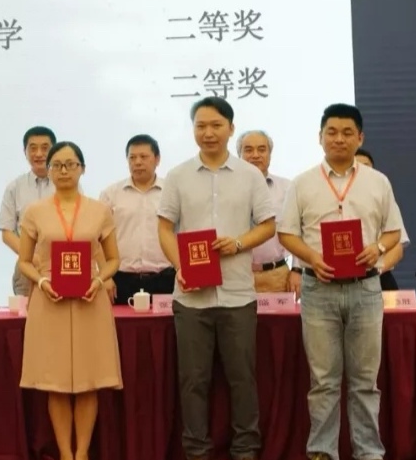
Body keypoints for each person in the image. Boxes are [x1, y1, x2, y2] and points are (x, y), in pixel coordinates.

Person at [278, 104, 404, 460]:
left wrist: (378, 248)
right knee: (323, 381)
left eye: (348, 132)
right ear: (320, 137)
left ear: (359, 138)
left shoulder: (377, 181)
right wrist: (311, 257)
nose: (339, 139)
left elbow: (394, 231)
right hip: (318, 289)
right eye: (331, 132)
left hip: (366, 288)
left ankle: (369, 453)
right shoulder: (302, 183)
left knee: (365, 381)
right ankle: (322, 452)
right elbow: (286, 233)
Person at [158, 98, 276, 460]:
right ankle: (196, 452)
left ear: (230, 128)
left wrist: (238, 243)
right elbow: (164, 228)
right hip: (191, 298)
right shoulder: (177, 176)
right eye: (200, 126)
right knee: (193, 381)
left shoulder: (250, 175)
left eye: (215, 125)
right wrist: (180, 266)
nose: (208, 133)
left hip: (238, 294)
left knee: (242, 379)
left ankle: (246, 450)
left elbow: (268, 225)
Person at [18, 141, 122, 460]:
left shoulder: (99, 210)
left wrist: (99, 280)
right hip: (50, 300)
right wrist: (41, 281)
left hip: (90, 299)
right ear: (48, 171)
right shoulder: (35, 211)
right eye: (57, 165)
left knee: (89, 380)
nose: (64, 171)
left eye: (70, 164)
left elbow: (113, 259)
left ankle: (83, 452)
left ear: (82, 169)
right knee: (57, 382)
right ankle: (66, 453)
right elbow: (24, 261)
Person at [98, 134, 174, 304]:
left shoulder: (171, 192)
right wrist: (104, 276)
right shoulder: (110, 194)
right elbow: (98, 239)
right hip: (121, 280)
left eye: (143, 157)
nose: (137, 162)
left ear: (157, 159)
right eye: (132, 158)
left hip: (165, 279)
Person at [0, 126, 56, 295]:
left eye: (45, 148)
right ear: (25, 152)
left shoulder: (67, 185)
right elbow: (7, 233)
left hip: (61, 265)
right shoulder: (15, 187)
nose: (39, 154)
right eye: (33, 148)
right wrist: (30, 256)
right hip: (26, 267)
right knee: (25, 312)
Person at [236, 129, 296, 294]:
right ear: (239, 155)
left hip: (277, 276)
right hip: (237, 277)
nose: (255, 155)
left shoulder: (287, 188)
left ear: (270, 154)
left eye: (261, 150)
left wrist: (297, 270)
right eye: (248, 150)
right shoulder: (226, 189)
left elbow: (299, 232)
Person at [353, 148, 408, 291]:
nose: (362, 171)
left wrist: (377, 271)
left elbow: (398, 247)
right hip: (342, 282)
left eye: (366, 166)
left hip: (380, 277)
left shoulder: (384, 199)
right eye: (357, 166)